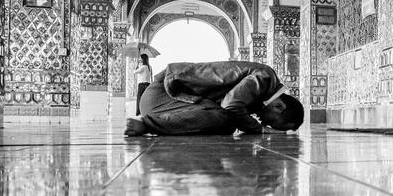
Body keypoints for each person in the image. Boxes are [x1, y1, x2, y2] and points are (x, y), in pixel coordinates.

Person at [124, 60, 304, 137]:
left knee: (228, 123)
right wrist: (259, 129)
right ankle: (148, 124)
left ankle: (154, 121)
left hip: (172, 102)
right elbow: (230, 105)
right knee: (225, 120)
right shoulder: (265, 78)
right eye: (273, 122)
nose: (266, 123)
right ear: (279, 106)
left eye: (270, 125)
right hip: (163, 94)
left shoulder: (262, 96)